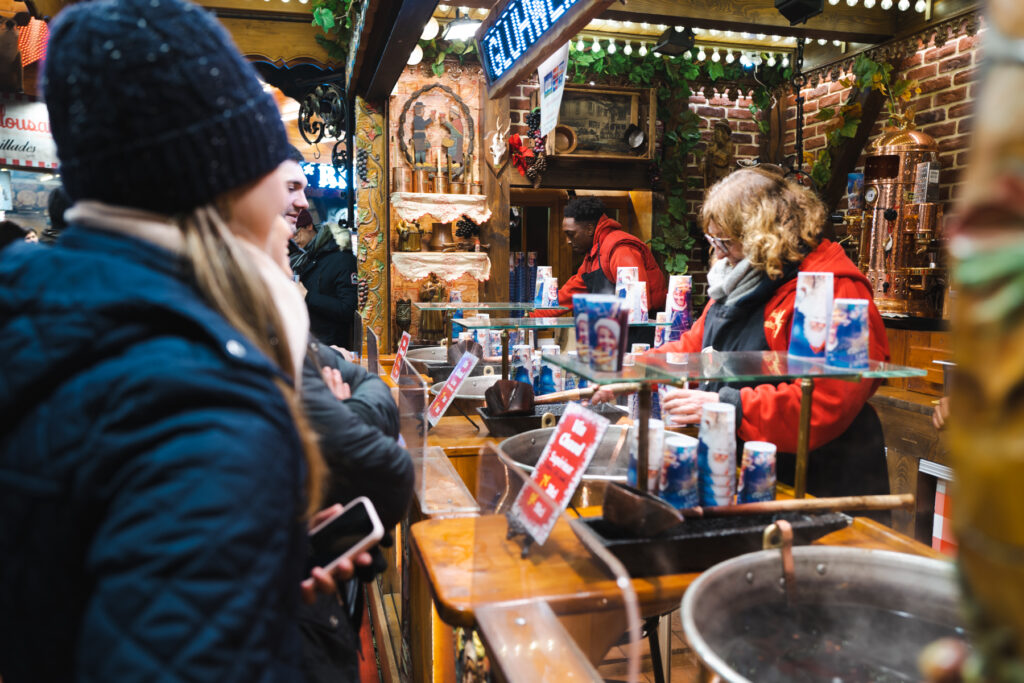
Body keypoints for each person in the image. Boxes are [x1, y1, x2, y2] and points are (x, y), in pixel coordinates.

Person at [0, 1, 363, 679]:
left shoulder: (38, 310)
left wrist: (259, 587)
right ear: (224, 184)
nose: (290, 205)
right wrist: (304, 632)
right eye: (271, 173)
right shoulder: (201, 405)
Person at [595, 167, 891, 500]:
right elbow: (696, 346)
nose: (717, 253)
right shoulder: (743, 279)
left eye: (724, 242)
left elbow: (825, 402)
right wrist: (635, 369)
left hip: (821, 479)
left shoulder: (834, 289)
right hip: (749, 465)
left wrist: (726, 405)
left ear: (762, 234)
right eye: (713, 240)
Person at [535, 196, 667, 345]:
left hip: (639, 339)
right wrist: (526, 318)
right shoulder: (593, 256)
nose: (568, 241)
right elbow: (566, 296)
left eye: (571, 234)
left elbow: (638, 305)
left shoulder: (620, 249)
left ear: (590, 229)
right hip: (615, 334)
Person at [293, 221, 359, 350]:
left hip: (331, 347)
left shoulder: (343, 260)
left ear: (309, 226)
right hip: (313, 343)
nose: (294, 239)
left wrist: (307, 296)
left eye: (296, 233)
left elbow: (348, 309)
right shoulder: (309, 257)